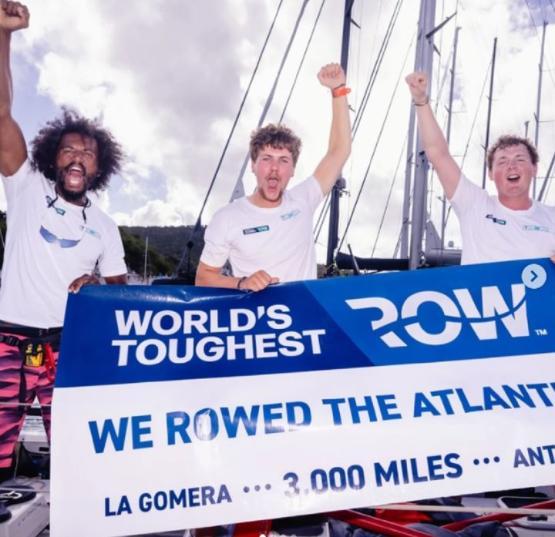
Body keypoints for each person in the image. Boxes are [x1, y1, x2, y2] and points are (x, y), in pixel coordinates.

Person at [0, 0, 127, 480]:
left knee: (77, 464)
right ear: (54, 157)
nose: (78, 157)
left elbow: (122, 294)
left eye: (88, 153)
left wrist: (94, 282)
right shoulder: (26, 186)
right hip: (6, 342)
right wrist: (4, 35)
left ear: (99, 167)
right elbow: (1, 111)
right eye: (69, 149)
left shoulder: (107, 227)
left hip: (67, 350)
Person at [196, 62, 351, 291]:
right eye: (267, 158)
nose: (274, 168)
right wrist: (242, 282)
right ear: (253, 166)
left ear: (292, 170)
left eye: (284, 160)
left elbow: (339, 150)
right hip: (258, 323)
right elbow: (203, 278)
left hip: (305, 320)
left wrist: (338, 91)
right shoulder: (227, 218)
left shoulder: (303, 199)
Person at [405, 71, 555, 265]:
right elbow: (437, 154)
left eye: (520, 159)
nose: (511, 165)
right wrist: (421, 101)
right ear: (491, 174)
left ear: (534, 169)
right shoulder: (474, 205)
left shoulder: (552, 217)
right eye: (502, 161)